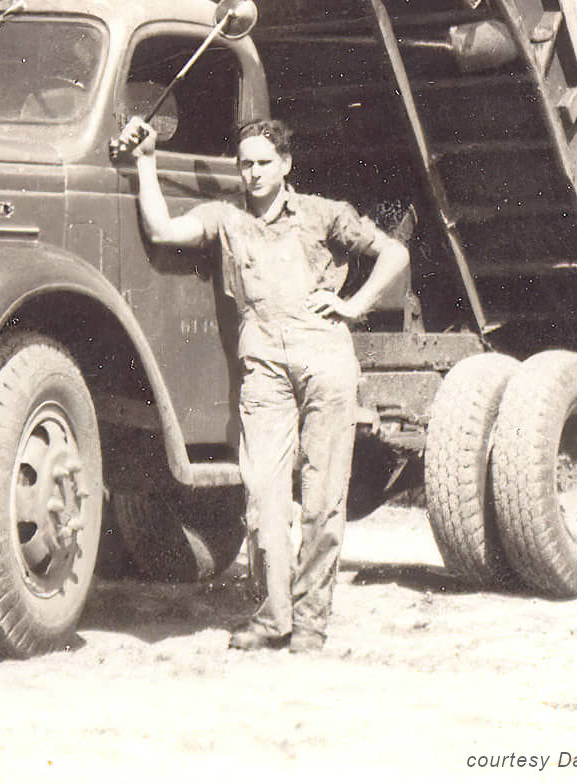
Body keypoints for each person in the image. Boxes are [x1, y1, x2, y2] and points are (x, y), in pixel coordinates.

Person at [120, 112, 410, 655]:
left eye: (263, 163)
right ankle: (272, 616)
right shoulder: (226, 220)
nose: (253, 173)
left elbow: (395, 253)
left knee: (322, 500)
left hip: (325, 360)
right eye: (245, 164)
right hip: (264, 371)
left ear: (286, 165)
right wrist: (146, 162)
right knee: (263, 499)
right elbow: (162, 229)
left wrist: (353, 306)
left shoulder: (324, 215)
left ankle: (311, 622)